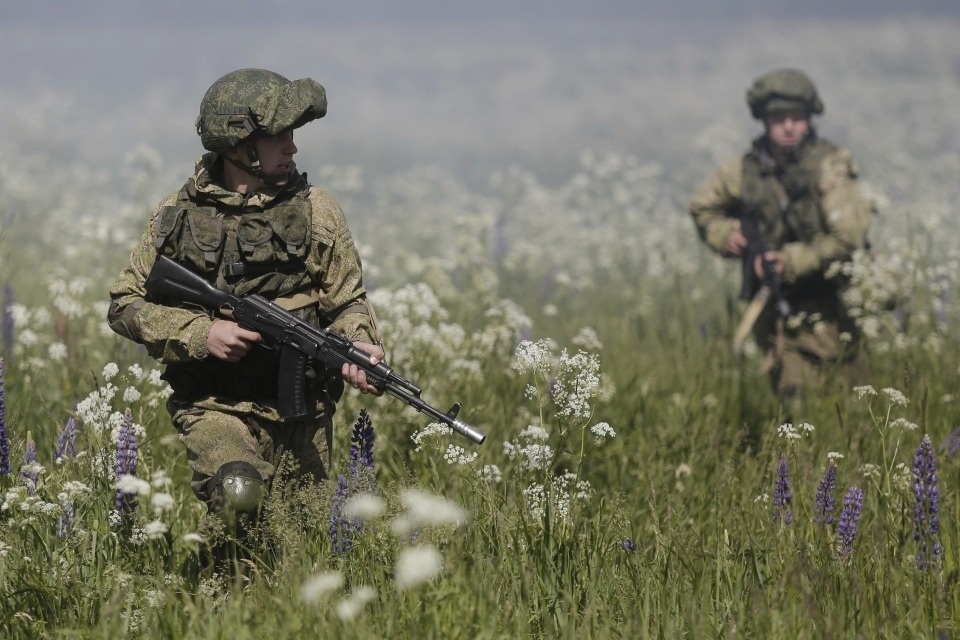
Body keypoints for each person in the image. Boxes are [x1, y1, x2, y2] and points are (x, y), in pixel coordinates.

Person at [107, 69, 384, 542]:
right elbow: (125, 304)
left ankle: (246, 608)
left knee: (300, 547)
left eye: (292, 135)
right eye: (277, 137)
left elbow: (347, 301)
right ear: (237, 146)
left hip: (303, 413)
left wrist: (360, 345)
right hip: (218, 404)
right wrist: (201, 334)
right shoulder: (178, 215)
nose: (292, 148)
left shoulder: (317, 209)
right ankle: (213, 596)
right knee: (238, 493)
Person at [689, 68, 873, 406]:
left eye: (796, 117)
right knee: (792, 404)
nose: (788, 127)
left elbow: (848, 236)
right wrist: (725, 234)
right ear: (763, 119)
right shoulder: (743, 171)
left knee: (849, 401)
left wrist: (790, 260)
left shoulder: (829, 166)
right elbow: (703, 207)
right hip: (772, 308)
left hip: (831, 303)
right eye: (778, 118)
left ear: (809, 118)